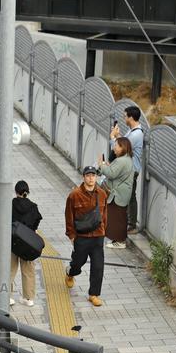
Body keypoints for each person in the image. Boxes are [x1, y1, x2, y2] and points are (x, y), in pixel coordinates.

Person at [64, 165, 108, 307]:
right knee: (78, 262)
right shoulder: (74, 195)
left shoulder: (102, 194)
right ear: (83, 177)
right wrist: (71, 235)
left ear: (96, 177)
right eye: (88, 175)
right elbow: (69, 216)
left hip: (97, 236)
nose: (91, 178)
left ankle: (93, 294)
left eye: (93, 175)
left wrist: (103, 231)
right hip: (81, 236)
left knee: (98, 266)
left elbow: (104, 215)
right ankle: (70, 272)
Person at [110, 105, 143, 232]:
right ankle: (128, 222)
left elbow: (120, 150)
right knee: (128, 195)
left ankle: (132, 224)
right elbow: (124, 144)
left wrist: (113, 138)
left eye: (125, 116)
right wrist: (118, 136)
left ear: (131, 117)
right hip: (128, 169)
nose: (124, 118)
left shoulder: (136, 135)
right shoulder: (132, 131)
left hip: (131, 170)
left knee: (130, 196)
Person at [10, 180, 42, 306]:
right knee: (28, 271)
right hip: (27, 244)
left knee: (10, 270)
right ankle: (28, 298)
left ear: (16, 191)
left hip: (13, 242)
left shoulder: (11, 204)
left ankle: (7, 297)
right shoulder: (33, 207)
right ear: (27, 192)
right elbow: (36, 222)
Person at [98, 137, 134, 249]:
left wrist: (102, 165)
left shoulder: (122, 160)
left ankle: (120, 241)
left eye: (116, 146)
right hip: (120, 193)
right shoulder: (125, 159)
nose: (114, 149)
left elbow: (111, 173)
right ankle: (117, 239)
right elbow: (115, 171)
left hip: (118, 194)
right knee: (116, 217)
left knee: (118, 218)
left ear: (122, 147)